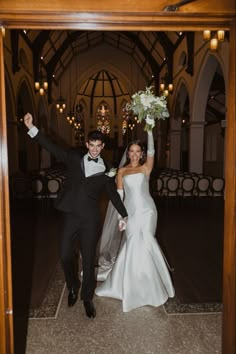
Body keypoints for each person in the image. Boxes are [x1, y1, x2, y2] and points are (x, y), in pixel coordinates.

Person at [23, 112, 128, 318]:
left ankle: (87, 298)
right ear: (87, 144)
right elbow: (52, 147)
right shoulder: (73, 157)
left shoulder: (108, 169)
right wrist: (31, 128)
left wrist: (123, 215)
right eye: (92, 145)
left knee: (89, 259)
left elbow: (113, 194)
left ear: (102, 147)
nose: (95, 149)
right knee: (64, 254)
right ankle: (73, 285)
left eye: (99, 145)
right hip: (70, 215)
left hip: (90, 219)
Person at [95, 125, 175, 312]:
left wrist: (149, 130)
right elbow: (120, 197)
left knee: (147, 240)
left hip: (148, 211)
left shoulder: (146, 168)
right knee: (132, 243)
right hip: (130, 212)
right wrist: (121, 217)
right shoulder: (121, 172)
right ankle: (131, 287)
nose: (134, 155)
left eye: (138, 151)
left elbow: (153, 151)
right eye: (131, 151)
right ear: (128, 153)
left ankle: (152, 287)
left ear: (141, 154)